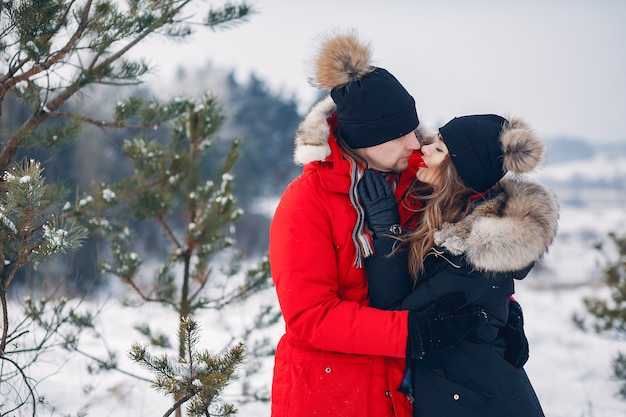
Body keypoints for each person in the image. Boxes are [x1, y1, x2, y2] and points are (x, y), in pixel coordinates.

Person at [268, 32, 486, 417]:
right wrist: (409, 333)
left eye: (413, 130)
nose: (414, 144)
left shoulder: (419, 184)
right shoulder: (307, 202)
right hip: (332, 395)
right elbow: (309, 316)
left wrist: (500, 313)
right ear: (365, 138)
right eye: (399, 135)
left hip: (405, 392)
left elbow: (461, 254)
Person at [357, 114, 559, 416]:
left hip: (481, 403)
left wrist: (386, 229)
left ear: (459, 172)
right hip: (466, 394)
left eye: (438, 149)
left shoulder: (470, 256)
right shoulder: (453, 218)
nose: (423, 150)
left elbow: (395, 315)